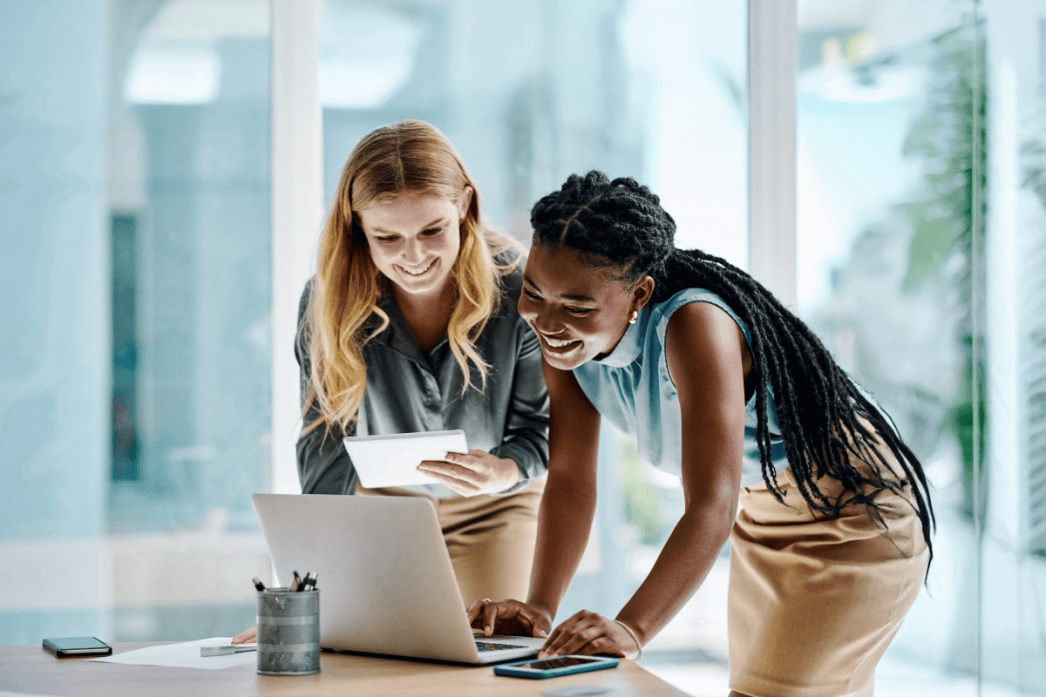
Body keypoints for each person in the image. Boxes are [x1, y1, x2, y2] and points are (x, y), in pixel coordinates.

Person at [467, 171, 934, 697]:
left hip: (854, 510)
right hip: (766, 509)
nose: (547, 321)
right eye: (533, 292)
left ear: (639, 292)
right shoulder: (565, 343)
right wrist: (539, 609)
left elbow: (712, 501)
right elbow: (572, 478)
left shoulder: (694, 323)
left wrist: (632, 629)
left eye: (577, 306)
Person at [233, 120, 548, 644]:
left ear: (465, 205)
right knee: (370, 655)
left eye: (432, 230)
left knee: (489, 654)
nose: (415, 256)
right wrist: (309, 589)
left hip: (496, 504)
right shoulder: (328, 302)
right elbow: (325, 444)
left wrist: (504, 471)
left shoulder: (520, 286)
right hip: (382, 509)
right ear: (358, 227)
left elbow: (540, 427)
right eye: (387, 237)